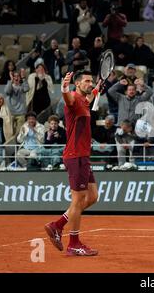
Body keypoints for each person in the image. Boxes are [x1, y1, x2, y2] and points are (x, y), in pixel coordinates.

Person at [45, 70, 100, 256]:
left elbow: (90, 98)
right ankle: (73, 244)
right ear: (77, 84)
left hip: (83, 156)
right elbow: (68, 99)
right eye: (86, 81)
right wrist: (64, 87)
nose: (90, 84)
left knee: (92, 197)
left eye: (91, 81)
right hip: (75, 155)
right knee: (77, 201)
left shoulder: (84, 100)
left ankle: (58, 224)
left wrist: (98, 88)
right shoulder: (74, 99)